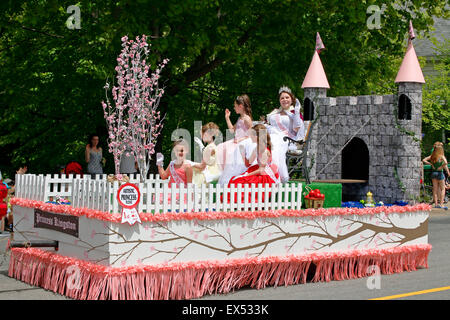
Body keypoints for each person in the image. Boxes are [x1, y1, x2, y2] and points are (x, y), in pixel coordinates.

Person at [228, 124, 280, 202]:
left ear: (257, 137)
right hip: (259, 170)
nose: (250, 137)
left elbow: (262, 170)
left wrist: (247, 175)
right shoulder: (257, 148)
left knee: (241, 181)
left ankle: (240, 202)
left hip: (266, 175)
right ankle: (232, 201)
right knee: (235, 179)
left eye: (251, 135)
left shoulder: (265, 151)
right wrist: (243, 154)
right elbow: (248, 164)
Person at [265, 86, 305, 183]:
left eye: (287, 97)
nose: (284, 100)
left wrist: (296, 113)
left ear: (292, 99)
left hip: (288, 140)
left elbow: (297, 129)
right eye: (282, 98)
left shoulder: (294, 112)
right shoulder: (275, 113)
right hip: (273, 136)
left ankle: (275, 174)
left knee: (274, 142)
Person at [216, 95, 256, 185]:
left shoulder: (247, 119)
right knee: (221, 148)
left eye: (235, 106)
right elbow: (232, 130)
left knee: (230, 157)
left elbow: (252, 135)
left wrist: (241, 139)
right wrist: (227, 117)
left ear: (240, 106)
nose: (234, 108)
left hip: (242, 144)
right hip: (235, 141)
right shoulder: (240, 118)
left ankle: (233, 180)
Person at [423, 144, 449, 209]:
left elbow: (424, 160)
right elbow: (446, 162)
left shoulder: (432, 156)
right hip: (440, 173)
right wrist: (441, 167)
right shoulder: (441, 156)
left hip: (433, 173)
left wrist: (431, 164)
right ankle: (441, 204)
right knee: (443, 189)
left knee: (435, 189)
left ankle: (436, 204)